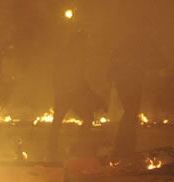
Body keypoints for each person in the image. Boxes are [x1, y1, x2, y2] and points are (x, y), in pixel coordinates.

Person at [108, 28, 166, 158]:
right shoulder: (139, 43)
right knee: (130, 112)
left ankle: (126, 146)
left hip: (130, 82)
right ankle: (122, 147)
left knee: (131, 113)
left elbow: (157, 61)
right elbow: (158, 60)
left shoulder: (132, 43)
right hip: (128, 83)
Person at [49, 30, 105, 159]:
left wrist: (95, 98)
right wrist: (63, 90)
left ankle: (81, 146)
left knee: (87, 117)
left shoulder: (78, 56)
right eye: (84, 41)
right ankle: (52, 149)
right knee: (58, 122)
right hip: (64, 95)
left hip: (71, 96)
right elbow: (57, 76)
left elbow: (81, 81)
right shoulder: (67, 56)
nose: (86, 44)